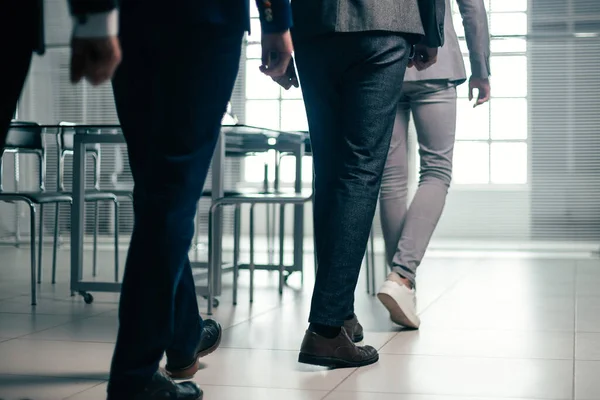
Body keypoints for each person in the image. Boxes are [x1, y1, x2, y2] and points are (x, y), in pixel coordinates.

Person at [287, 0, 446, 368]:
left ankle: (339, 312)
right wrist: (431, 32)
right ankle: (325, 330)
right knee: (360, 169)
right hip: (385, 20)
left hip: (314, 24)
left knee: (328, 169)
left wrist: (277, 30)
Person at [376, 0, 491, 328]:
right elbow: (472, 9)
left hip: (385, 62)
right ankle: (401, 278)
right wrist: (481, 70)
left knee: (391, 181)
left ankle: (401, 283)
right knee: (437, 171)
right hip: (436, 63)